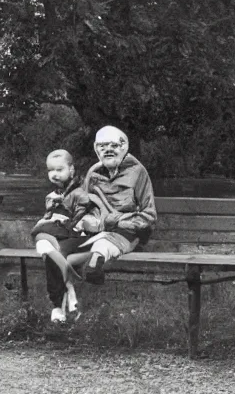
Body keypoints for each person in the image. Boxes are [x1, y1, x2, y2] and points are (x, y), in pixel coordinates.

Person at [41, 126, 157, 322]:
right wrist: (77, 219)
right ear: (96, 148)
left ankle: (95, 263)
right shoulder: (93, 173)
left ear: (125, 146)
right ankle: (58, 308)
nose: (108, 149)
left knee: (102, 243)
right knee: (54, 251)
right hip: (93, 234)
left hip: (124, 234)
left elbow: (149, 217)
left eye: (114, 145)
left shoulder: (138, 172)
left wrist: (117, 220)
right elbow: (83, 205)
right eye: (103, 145)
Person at [30, 150, 98, 323]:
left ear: (72, 170)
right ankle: (67, 292)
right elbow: (50, 217)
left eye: (59, 170)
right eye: (51, 170)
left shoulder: (81, 191)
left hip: (80, 237)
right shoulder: (54, 195)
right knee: (49, 250)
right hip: (62, 236)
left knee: (48, 246)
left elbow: (86, 218)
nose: (54, 174)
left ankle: (58, 303)